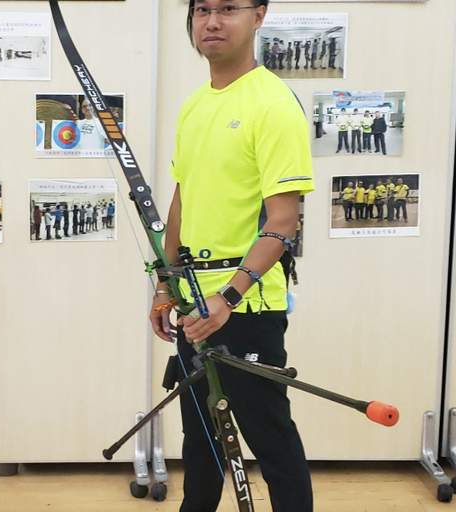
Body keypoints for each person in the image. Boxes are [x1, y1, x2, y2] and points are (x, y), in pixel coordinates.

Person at [151, 1, 315, 510]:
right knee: (200, 445)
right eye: (203, 10)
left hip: (244, 309)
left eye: (229, 8)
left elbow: (283, 221)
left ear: (259, 16)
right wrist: (165, 283)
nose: (213, 22)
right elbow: (182, 199)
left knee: (271, 442)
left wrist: (228, 296)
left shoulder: (273, 104)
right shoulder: (195, 104)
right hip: (192, 305)